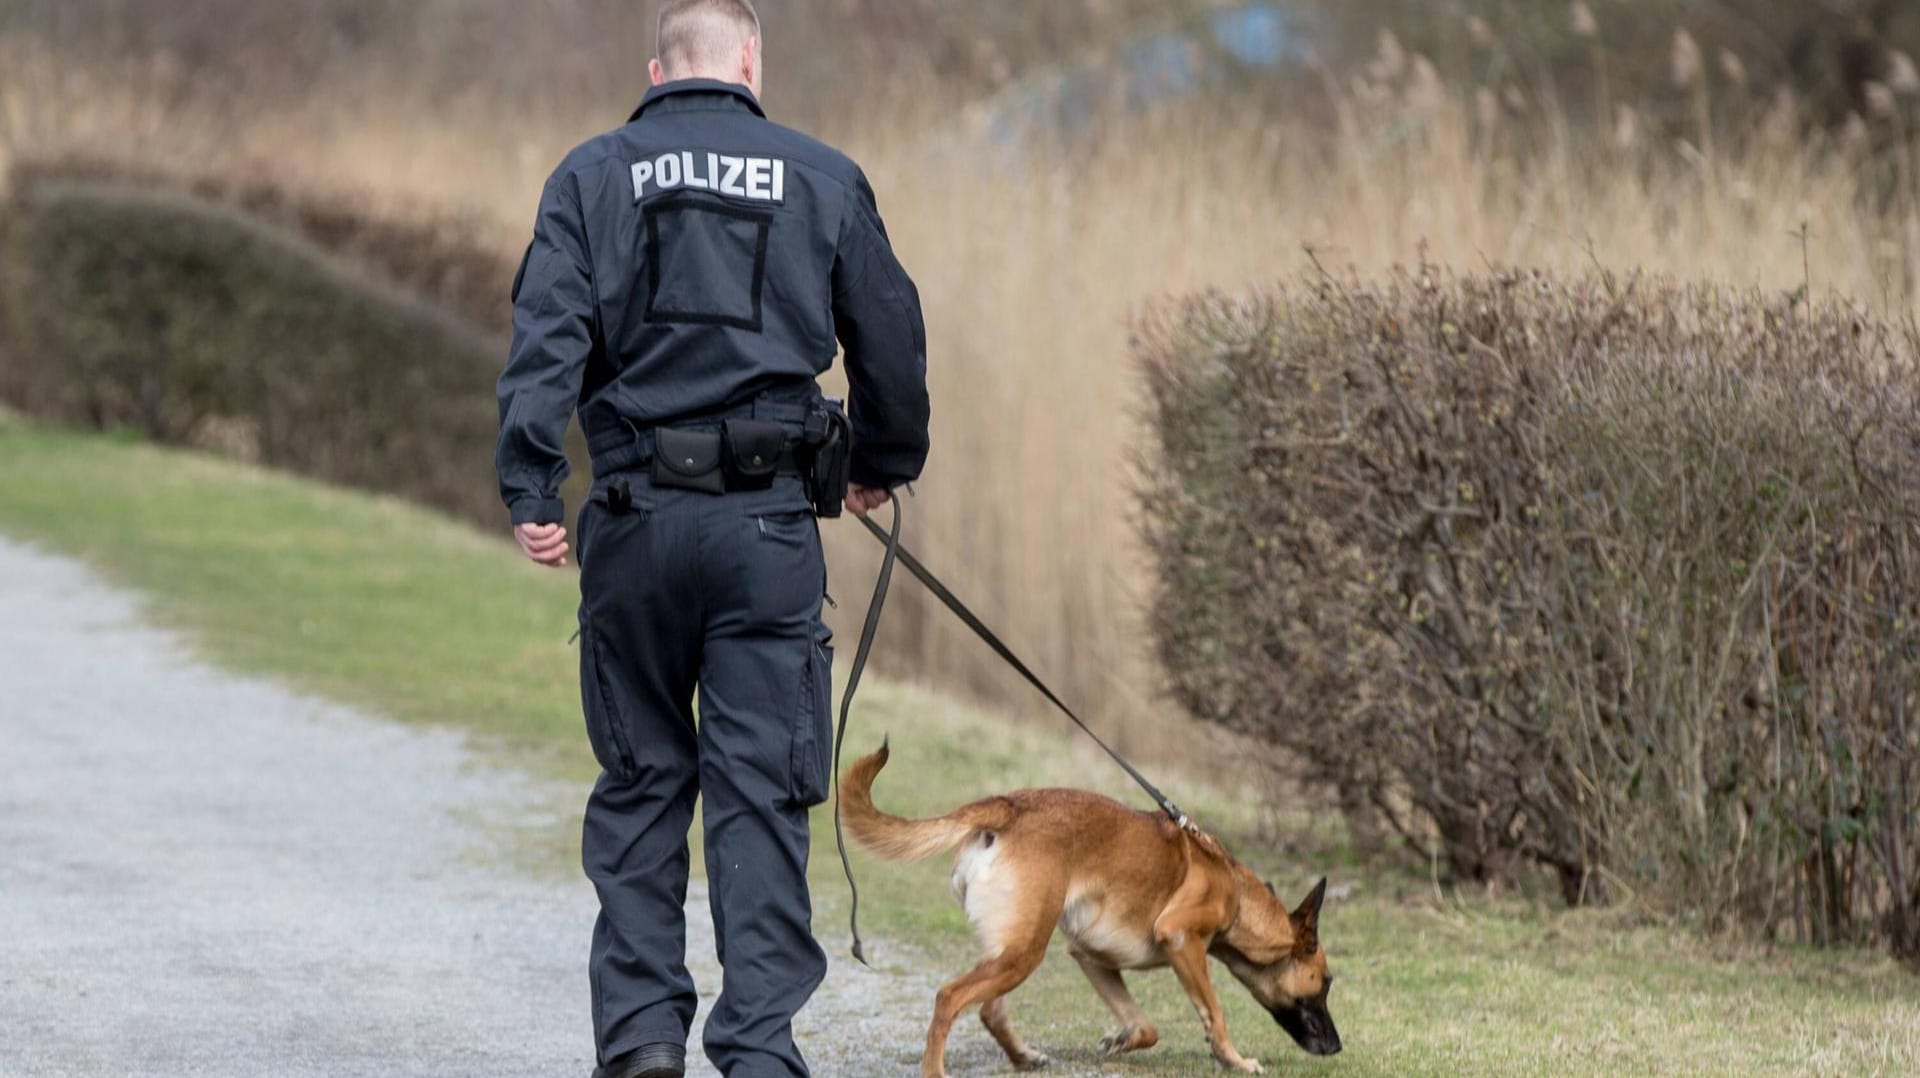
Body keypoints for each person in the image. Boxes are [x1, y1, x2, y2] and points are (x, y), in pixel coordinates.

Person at [492, 1, 930, 1074]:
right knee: (758, 789)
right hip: (765, 532)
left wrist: (532, 484)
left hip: (635, 524)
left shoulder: (590, 176)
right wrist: (882, 460)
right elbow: (890, 334)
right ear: (749, 60)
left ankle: (641, 1041)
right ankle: (759, 1047)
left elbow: (544, 337)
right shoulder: (821, 173)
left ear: (656, 68)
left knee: (643, 779)